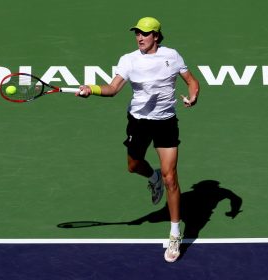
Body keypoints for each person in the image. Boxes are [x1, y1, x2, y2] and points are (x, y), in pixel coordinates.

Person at [76, 16, 199, 262]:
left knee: (171, 178)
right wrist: (93, 88)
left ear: (156, 35)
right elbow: (113, 89)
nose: (139, 37)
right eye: (137, 33)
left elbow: (192, 81)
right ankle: (152, 178)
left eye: (144, 33)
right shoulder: (128, 60)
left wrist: (192, 96)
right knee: (133, 166)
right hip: (139, 122)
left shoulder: (172, 56)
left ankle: (175, 234)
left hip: (166, 122)